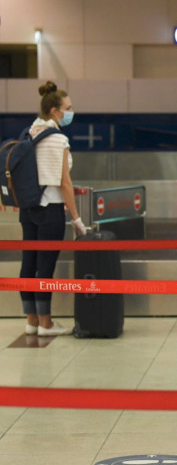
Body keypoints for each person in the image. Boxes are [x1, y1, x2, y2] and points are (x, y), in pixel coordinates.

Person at [20, 81, 87, 337]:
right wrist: (77, 219)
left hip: (28, 208)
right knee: (45, 266)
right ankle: (46, 324)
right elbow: (65, 183)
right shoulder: (58, 138)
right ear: (54, 112)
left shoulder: (29, 133)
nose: (71, 112)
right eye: (67, 108)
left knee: (29, 264)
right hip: (51, 211)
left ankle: (31, 320)